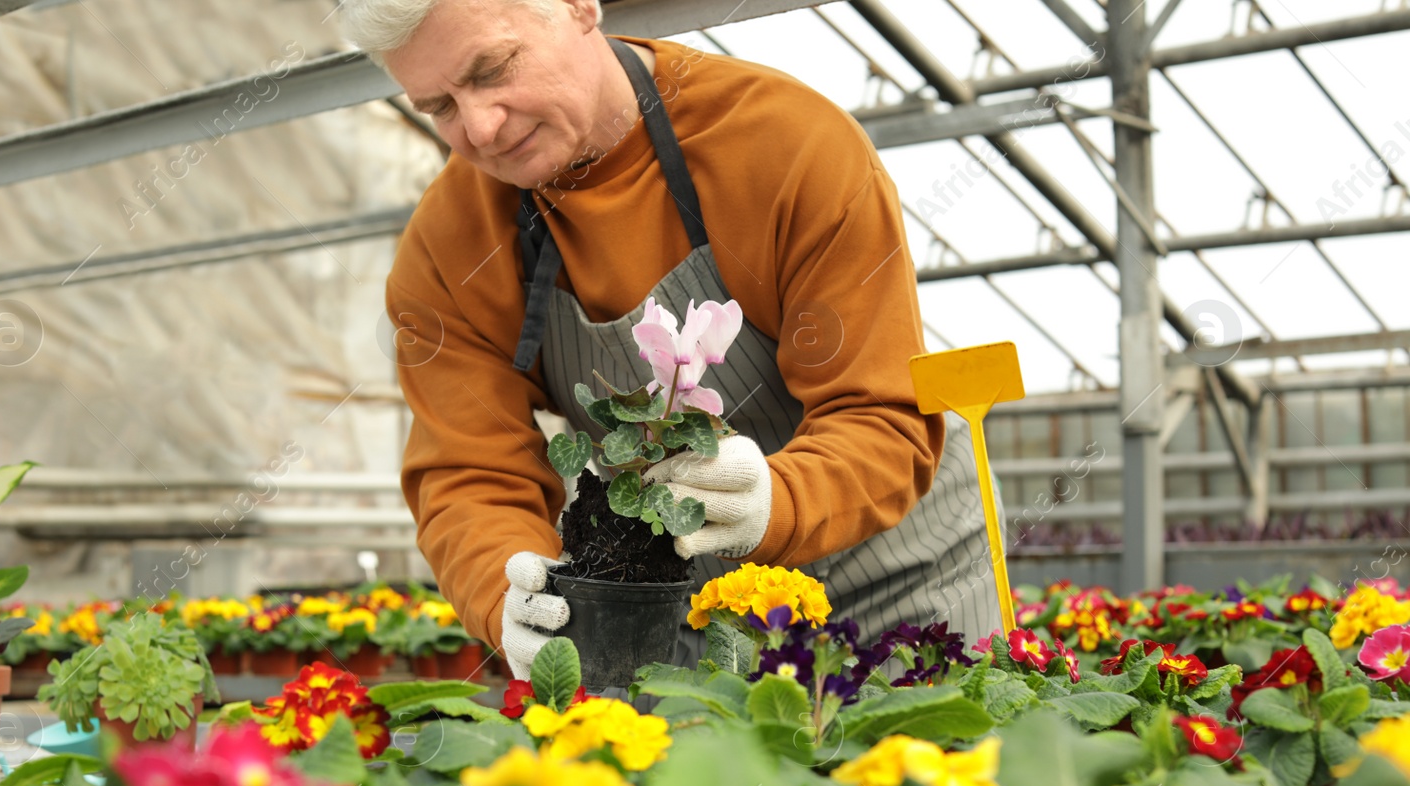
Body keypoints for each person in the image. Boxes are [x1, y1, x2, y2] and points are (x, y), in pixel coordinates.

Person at [341, 0, 999, 679]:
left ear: (579, 6)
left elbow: (882, 414)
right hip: (692, 616)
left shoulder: (786, 145)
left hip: (899, 579)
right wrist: (509, 596)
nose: (479, 127)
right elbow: (470, 472)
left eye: (494, 69)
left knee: (930, 779)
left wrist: (779, 499)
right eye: (438, 108)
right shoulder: (449, 249)